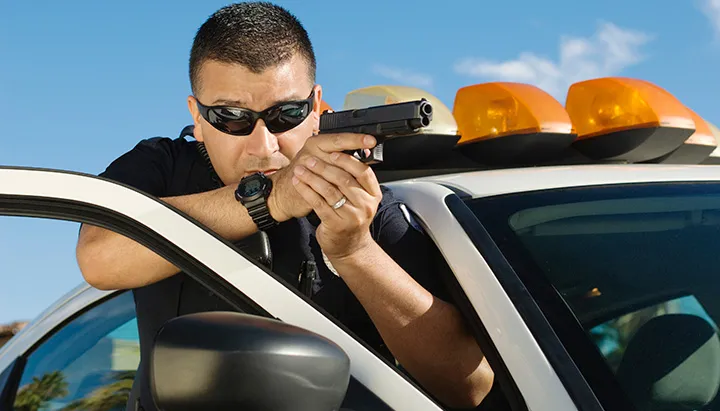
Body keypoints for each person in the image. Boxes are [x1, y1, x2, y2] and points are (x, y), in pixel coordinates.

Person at [75, 2, 494, 410]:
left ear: (315, 108)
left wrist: (355, 251)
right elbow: (99, 259)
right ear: (196, 117)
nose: (264, 145)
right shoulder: (160, 166)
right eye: (232, 117)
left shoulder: (361, 202)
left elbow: (467, 386)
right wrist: (271, 198)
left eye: (285, 114)